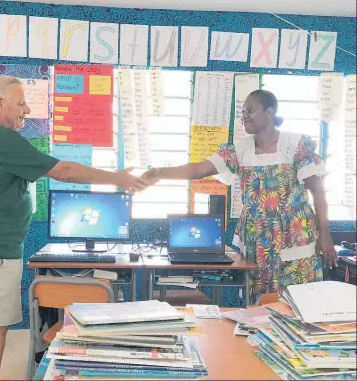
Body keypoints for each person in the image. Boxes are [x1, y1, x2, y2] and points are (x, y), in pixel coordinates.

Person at [0, 76, 150, 378]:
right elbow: (62, 170)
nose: (26, 109)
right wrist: (117, 179)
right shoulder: (0, 138)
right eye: (20, 102)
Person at [142, 89, 337, 304]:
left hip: (296, 240)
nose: (244, 115)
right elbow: (198, 169)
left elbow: (318, 193)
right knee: (260, 306)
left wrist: (326, 236)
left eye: (250, 110)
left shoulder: (297, 146)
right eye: (243, 111)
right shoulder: (239, 150)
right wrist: (160, 173)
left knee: (301, 306)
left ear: (269, 112)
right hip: (257, 243)